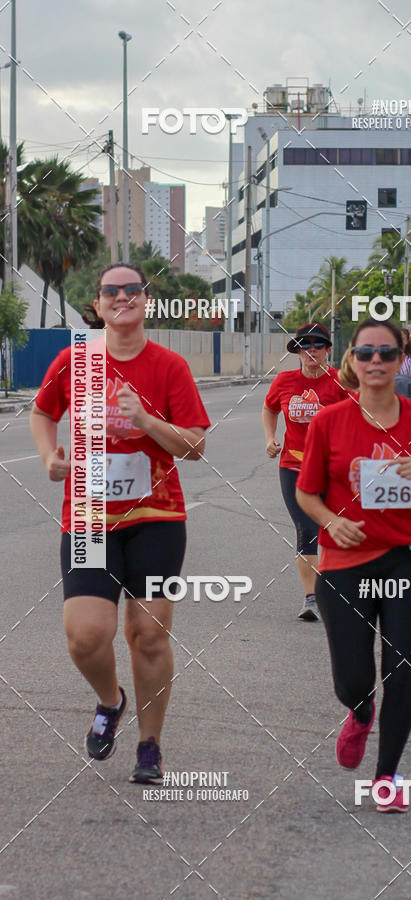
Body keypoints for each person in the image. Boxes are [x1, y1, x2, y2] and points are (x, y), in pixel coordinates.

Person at [30, 263, 210, 784]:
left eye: (132, 290)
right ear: (99, 301)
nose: (122, 297)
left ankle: (149, 746)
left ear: (146, 300)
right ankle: (110, 701)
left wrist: (149, 420)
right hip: (88, 517)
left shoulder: (169, 367)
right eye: (112, 290)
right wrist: (48, 457)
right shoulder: (76, 360)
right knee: (86, 636)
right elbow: (42, 413)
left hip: (156, 517)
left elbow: (196, 446)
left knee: (148, 634)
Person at [296, 318, 411, 812]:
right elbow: (306, 493)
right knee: (352, 677)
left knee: (402, 669)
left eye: (387, 354)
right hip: (345, 561)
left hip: (407, 560)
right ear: (351, 360)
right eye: (366, 352)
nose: (376, 361)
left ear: (401, 360)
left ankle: (387, 777)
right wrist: (333, 520)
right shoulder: (329, 421)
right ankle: (359, 710)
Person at [262, 323, 347, 621]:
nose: (311, 350)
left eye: (318, 345)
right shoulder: (285, 381)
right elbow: (269, 408)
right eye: (305, 345)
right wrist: (270, 438)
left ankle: (336, 588)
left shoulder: (339, 382)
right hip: (294, 466)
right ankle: (312, 598)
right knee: (307, 529)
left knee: (334, 528)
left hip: (333, 468)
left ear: (327, 350)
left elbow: (360, 415)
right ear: (297, 351)